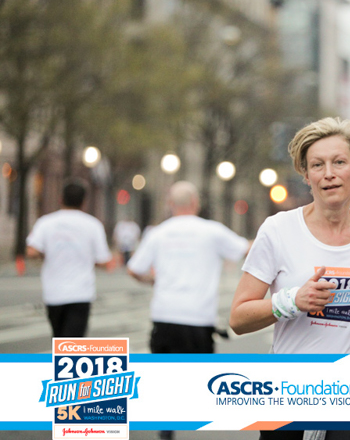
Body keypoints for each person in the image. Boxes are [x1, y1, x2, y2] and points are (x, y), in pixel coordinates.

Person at [229, 117, 350, 440]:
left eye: (339, 162)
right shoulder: (278, 230)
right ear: (306, 175)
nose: (329, 173)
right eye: (317, 165)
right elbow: (238, 318)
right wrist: (291, 301)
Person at [127, 181, 249, 440]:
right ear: (196, 203)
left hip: (164, 315)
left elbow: (134, 269)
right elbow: (246, 249)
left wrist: (153, 280)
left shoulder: (158, 233)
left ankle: (166, 424)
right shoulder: (212, 231)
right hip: (198, 317)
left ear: (170, 204)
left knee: (164, 376)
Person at [26, 180, 113, 337]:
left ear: (61, 199)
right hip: (81, 292)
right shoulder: (93, 225)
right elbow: (103, 261)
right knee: (73, 342)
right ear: (84, 202)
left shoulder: (46, 222)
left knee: (59, 337)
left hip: (53, 293)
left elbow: (31, 251)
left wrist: (48, 253)